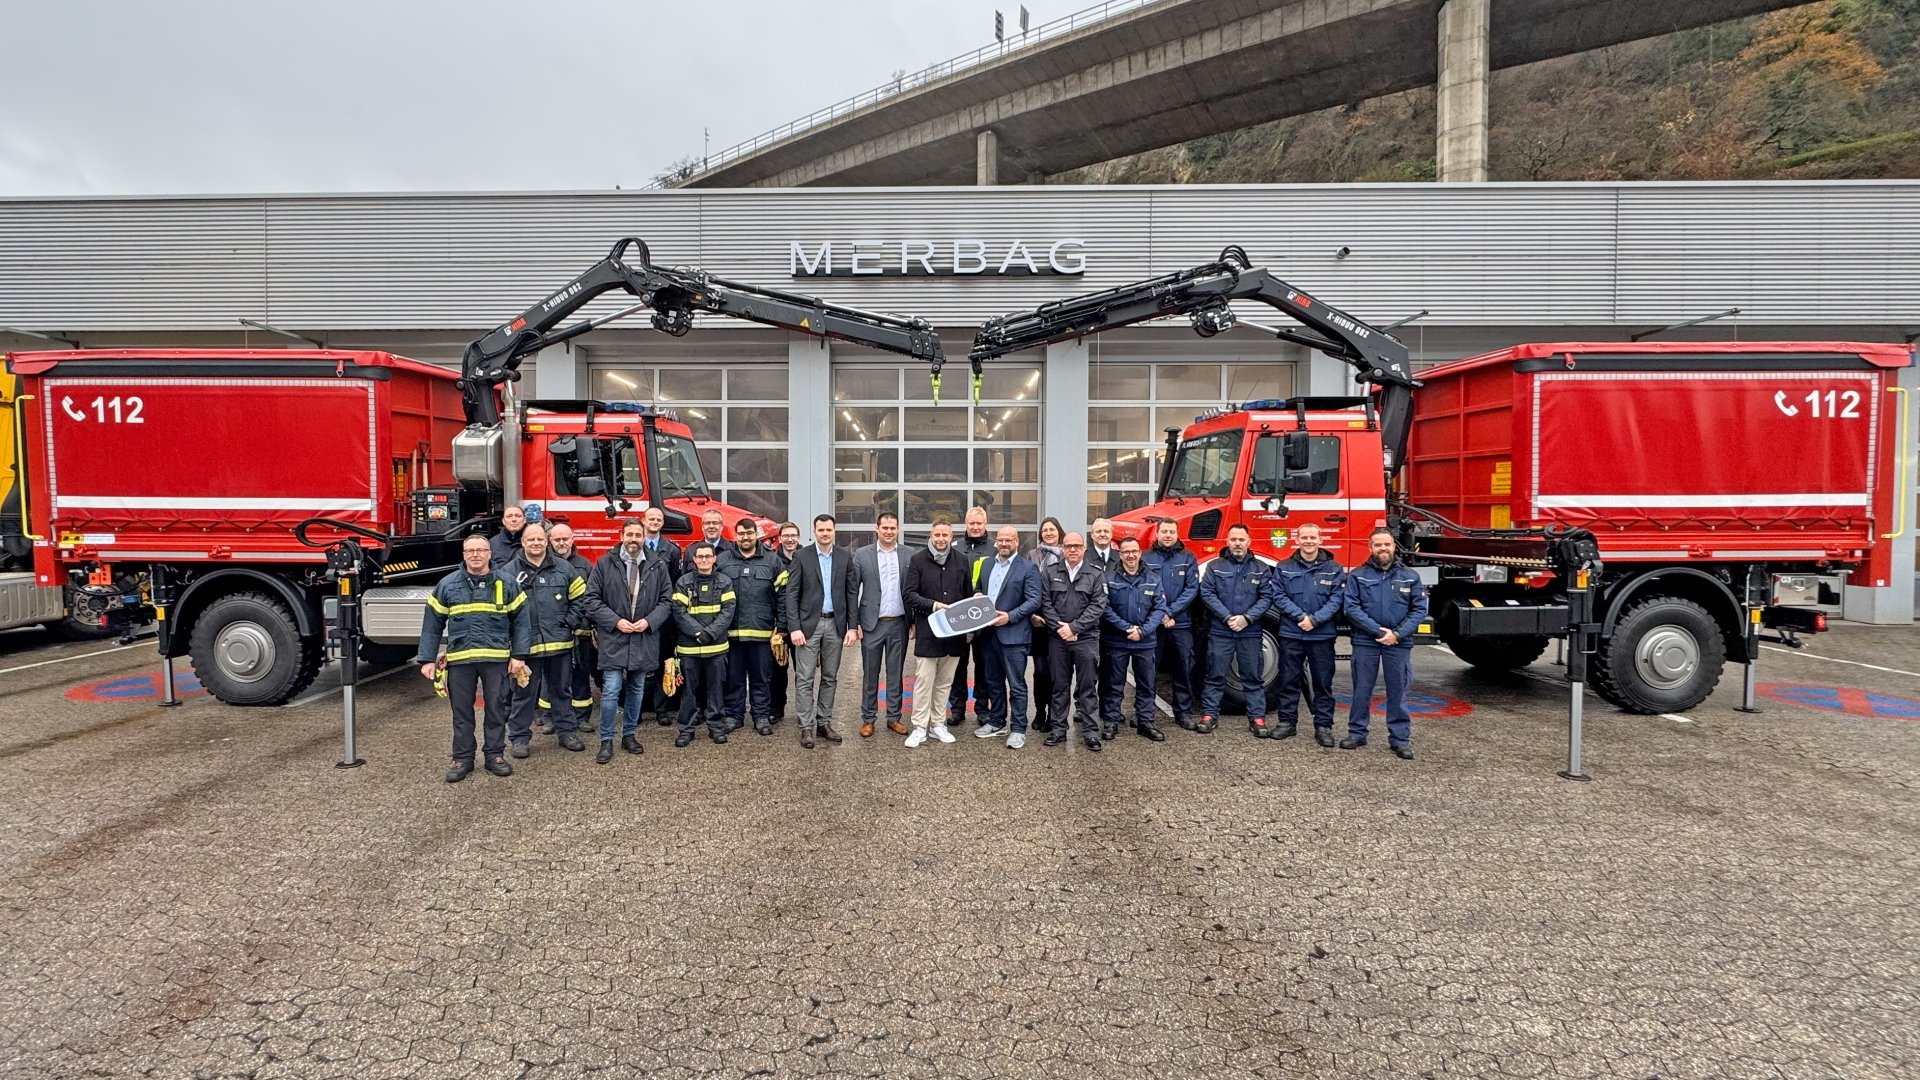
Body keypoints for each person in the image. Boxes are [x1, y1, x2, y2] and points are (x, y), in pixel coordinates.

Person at [418, 533, 532, 782]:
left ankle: (495, 756)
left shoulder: (507, 582)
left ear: (489, 554)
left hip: (496, 660)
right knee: (461, 713)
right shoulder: (448, 585)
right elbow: (432, 625)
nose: (476, 555)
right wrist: (426, 659)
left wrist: (519, 655)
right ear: (464, 555)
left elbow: (522, 622)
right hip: (461, 661)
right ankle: (462, 759)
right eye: (470, 551)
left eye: (481, 550)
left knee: (496, 710)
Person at [585, 518, 672, 764]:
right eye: (630, 534)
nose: (634, 539)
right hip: (615, 636)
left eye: (638, 535)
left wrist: (649, 621)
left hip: (644, 636)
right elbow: (591, 599)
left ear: (644, 537)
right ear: (621, 535)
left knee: (636, 689)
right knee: (611, 689)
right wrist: (615, 621)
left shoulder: (657, 564)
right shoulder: (604, 563)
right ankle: (606, 740)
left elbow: (667, 600)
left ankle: (629, 735)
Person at [1341, 528, 1428, 760]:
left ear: (1393, 546)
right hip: (1365, 641)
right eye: (1378, 545)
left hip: (1398, 642)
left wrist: (1397, 634)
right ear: (1370, 548)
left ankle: (1399, 740)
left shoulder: (1410, 576)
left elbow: (1419, 610)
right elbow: (1351, 608)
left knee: (1397, 691)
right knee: (1361, 690)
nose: (1383, 549)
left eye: (1387, 544)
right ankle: (1357, 734)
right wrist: (1379, 631)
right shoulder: (1358, 575)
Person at [504, 522, 588, 758]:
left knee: (561, 691)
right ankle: (519, 739)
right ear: (523, 542)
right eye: (530, 539)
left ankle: (567, 733)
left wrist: (569, 622)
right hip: (525, 647)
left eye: (540, 539)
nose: (535, 543)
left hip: (559, 644)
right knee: (523, 694)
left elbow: (581, 598)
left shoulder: (564, 568)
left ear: (547, 541)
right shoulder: (509, 572)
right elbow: (501, 608)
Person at [785, 514, 857, 749]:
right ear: (814, 532)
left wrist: (852, 627)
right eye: (821, 530)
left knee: (830, 677)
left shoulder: (844, 557)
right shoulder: (801, 556)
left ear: (834, 531)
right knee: (804, 678)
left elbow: (851, 593)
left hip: (835, 625)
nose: (825, 533)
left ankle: (824, 723)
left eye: (829, 530)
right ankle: (806, 726)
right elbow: (791, 594)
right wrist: (794, 627)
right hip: (808, 626)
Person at [1198, 523, 1276, 736]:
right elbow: (1207, 593)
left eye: (1241, 539)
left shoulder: (1260, 568)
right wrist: (1227, 617)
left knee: (1252, 677)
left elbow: (1267, 597)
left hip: (1250, 631)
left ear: (1249, 542)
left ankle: (1257, 718)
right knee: (1215, 675)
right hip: (1221, 630)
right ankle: (1209, 715)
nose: (1237, 543)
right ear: (1227, 542)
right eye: (1233, 539)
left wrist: (1247, 618)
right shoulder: (1215, 566)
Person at [1271, 522, 1345, 745]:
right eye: (1304, 537)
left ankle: (1323, 726)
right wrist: (1300, 617)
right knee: (1288, 681)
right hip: (1292, 634)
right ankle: (1287, 723)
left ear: (1320, 539)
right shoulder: (1284, 567)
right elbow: (1278, 595)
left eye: (1313, 537)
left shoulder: (1334, 568)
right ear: (1297, 539)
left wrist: (1315, 620)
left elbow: (1337, 599)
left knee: (1322, 683)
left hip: (1321, 636)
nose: (1309, 541)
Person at [972, 525, 1043, 749]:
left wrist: (1010, 617)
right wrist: (977, 594)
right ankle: (997, 721)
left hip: (1014, 636)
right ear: (996, 541)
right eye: (1000, 540)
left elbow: (1034, 600)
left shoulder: (1028, 568)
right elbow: (978, 588)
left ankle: (1018, 728)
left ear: (1016, 542)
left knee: (1016, 684)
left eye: (1008, 540)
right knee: (993, 681)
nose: (1003, 543)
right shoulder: (986, 564)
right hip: (987, 634)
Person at [901, 518, 970, 747]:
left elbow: (967, 596)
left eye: (945, 535)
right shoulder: (918, 560)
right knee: (923, 681)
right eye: (937, 535)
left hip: (954, 633)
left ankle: (938, 724)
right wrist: (933, 605)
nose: (941, 539)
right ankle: (919, 727)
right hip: (928, 632)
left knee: (944, 682)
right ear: (931, 536)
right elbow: (909, 594)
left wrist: (969, 628)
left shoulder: (961, 560)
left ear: (951, 537)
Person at [1039, 531, 1107, 751]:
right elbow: (1045, 603)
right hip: (1058, 639)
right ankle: (1058, 729)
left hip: (1085, 639)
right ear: (1063, 549)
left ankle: (1090, 732)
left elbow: (1098, 605)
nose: (1073, 550)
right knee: (1059, 685)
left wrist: (1074, 628)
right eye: (1068, 546)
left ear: (1084, 548)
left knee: (1087, 687)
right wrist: (1062, 629)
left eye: (1077, 546)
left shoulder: (1095, 573)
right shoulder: (1050, 572)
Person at [717, 517, 784, 736]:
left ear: (756, 535)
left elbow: (783, 596)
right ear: (735, 535)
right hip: (731, 633)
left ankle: (761, 716)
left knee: (761, 678)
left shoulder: (773, 561)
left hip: (762, 633)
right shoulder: (722, 560)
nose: (745, 537)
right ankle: (733, 716)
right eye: (741, 534)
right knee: (733, 678)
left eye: (749, 533)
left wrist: (782, 626)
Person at [1101, 535, 1169, 742]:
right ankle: (1111, 721)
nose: (1130, 555)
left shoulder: (1153, 579)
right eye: (1126, 552)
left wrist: (1143, 631)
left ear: (1140, 553)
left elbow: (1159, 609)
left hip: (1145, 642)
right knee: (1114, 684)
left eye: (1134, 551)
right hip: (1117, 640)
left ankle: (1145, 722)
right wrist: (1127, 628)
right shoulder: (1109, 579)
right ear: (1120, 555)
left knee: (1146, 684)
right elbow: (1105, 608)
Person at [853, 511, 913, 738]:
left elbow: (914, 590)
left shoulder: (909, 554)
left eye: (892, 528)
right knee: (870, 673)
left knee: (895, 673)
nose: (888, 531)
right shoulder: (862, 554)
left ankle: (893, 717)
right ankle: (868, 719)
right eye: (884, 528)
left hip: (899, 623)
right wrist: (854, 623)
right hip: (872, 624)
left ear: (898, 530)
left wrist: (914, 622)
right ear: (877, 529)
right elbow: (852, 590)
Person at [670, 541, 736, 747]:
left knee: (716, 690)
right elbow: (678, 611)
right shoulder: (683, 582)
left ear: (714, 558)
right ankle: (686, 729)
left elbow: (728, 611)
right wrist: (698, 632)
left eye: (708, 556)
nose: (704, 560)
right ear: (694, 559)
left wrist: (710, 633)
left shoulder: (725, 582)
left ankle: (716, 727)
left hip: (716, 648)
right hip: (689, 648)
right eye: (700, 557)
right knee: (688, 692)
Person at [1143, 518, 1201, 730]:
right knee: (1148, 669)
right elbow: (1142, 588)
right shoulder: (1145, 558)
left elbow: (1192, 589)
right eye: (1164, 531)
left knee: (1183, 667)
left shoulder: (1188, 558)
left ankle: (1183, 713)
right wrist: (1160, 614)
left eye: (1171, 532)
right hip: (1153, 625)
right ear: (1157, 534)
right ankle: (1146, 714)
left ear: (1177, 534)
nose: (1168, 535)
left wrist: (1169, 612)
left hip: (1181, 623)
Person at [947, 507, 995, 728]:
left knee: (983, 665)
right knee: (958, 665)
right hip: (959, 616)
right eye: (971, 523)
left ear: (985, 524)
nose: (975, 527)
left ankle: (982, 708)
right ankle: (957, 709)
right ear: (965, 524)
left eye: (979, 523)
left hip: (985, 617)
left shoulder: (995, 548)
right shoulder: (954, 547)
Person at [547, 523, 599, 724]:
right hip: (552, 632)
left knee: (581, 674)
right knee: (552, 676)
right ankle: (551, 717)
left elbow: (591, 596)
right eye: (557, 539)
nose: (561, 543)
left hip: (580, 630)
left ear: (572, 539)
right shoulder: (544, 563)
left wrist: (581, 621)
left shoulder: (584, 565)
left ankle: (582, 717)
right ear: (550, 541)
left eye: (565, 539)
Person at [639, 506, 682, 724]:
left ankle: (662, 710)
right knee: (637, 665)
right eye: (651, 519)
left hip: (664, 618)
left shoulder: (672, 550)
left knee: (663, 664)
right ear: (643, 520)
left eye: (658, 519)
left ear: (662, 523)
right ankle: (635, 710)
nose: (654, 522)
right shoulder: (634, 547)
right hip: (638, 615)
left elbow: (673, 583)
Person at [1027, 516, 1065, 732]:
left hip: (1060, 621)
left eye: (1052, 529)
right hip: (1039, 621)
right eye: (1044, 530)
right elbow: (1027, 586)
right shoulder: (1032, 554)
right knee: (1041, 671)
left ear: (1059, 532)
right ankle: (1040, 711)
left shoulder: (1067, 554)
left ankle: (1054, 714)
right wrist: (1032, 614)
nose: (1048, 533)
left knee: (1057, 672)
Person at [768, 521, 802, 723]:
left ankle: (803, 711)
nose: (790, 539)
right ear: (780, 538)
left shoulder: (806, 558)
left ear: (798, 537)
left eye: (793, 535)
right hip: (778, 627)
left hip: (801, 626)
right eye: (786, 536)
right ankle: (776, 708)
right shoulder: (772, 561)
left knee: (803, 672)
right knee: (777, 672)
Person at [489, 503, 529, 568]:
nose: (514, 519)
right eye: (509, 516)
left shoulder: (533, 542)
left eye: (518, 516)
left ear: (524, 520)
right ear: (503, 521)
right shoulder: (492, 543)